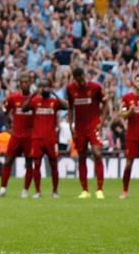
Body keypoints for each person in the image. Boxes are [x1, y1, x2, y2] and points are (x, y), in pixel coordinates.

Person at [22, 79, 68, 198]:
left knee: (54, 165)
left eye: (46, 86)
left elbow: (66, 106)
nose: (44, 89)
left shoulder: (54, 102)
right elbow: (23, 108)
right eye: (42, 87)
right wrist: (33, 94)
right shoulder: (35, 101)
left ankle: (55, 191)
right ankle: (37, 191)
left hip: (51, 139)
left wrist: (54, 93)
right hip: (37, 139)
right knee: (36, 165)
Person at [66, 67, 108, 199]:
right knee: (81, 156)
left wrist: (101, 124)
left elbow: (106, 104)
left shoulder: (95, 87)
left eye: (83, 79)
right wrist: (71, 127)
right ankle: (85, 190)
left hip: (93, 126)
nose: (82, 82)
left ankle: (99, 190)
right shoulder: (70, 89)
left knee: (97, 153)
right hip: (79, 128)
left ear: (85, 76)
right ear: (75, 79)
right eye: (78, 80)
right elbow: (70, 108)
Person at [0, 72, 35, 198]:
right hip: (16, 135)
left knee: (29, 163)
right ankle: (2, 189)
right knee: (8, 161)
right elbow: (3, 113)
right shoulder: (13, 98)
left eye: (26, 82)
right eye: (22, 82)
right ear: (19, 83)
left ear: (30, 83)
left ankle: (25, 190)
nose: (24, 84)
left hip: (29, 136)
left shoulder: (35, 99)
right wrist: (8, 128)